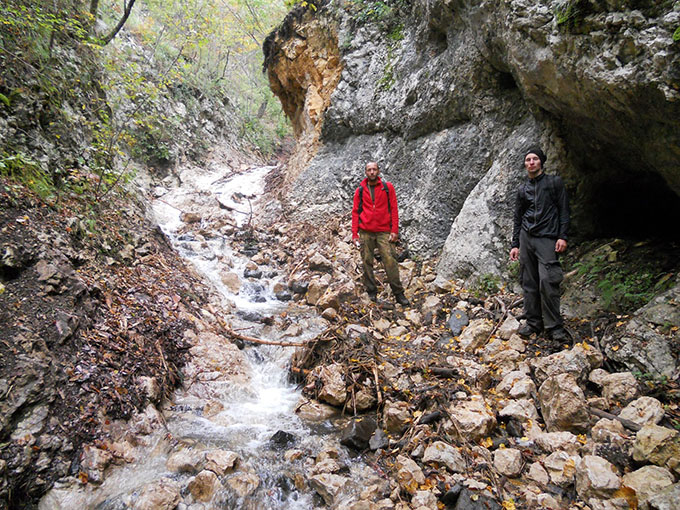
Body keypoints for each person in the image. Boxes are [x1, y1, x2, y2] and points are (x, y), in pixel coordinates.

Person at [509, 147, 570, 341]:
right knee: (529, 282)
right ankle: (534, 323)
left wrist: (563, 236)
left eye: (535, 159)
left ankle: (554, 327)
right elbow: (518, 218)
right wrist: (515, 244)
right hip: (527, 237)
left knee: (548, 280)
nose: (531, 162)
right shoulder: (522, 189)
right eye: (528, 160)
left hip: (547, 237)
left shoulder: (554, 183)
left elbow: (564, 211)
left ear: (541, 162)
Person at [352, 161, 410, 306]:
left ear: (378, 171)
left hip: (384, 231)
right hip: (365, 232)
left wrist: (394, 230)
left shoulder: (387, 187)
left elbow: (394, 209)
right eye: (369, 170)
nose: (372, 172)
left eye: (374, 169)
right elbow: (355, 212)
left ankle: (398, 293)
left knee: (390, 261)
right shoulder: (360, 190)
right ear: (366, 172)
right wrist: (354, 234)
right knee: (366, 262)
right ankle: (371, 293)